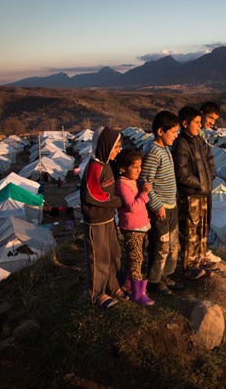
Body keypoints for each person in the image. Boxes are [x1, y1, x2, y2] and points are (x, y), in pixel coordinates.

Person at [80, 126, 125, 309]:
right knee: (99, 257)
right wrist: (117, 201)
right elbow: (92, 194)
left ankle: (113, 286)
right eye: (116, 147)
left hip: (107, 219)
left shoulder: (107, 164)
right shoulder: (94, 167)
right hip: (95, 221)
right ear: (106, 146)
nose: (118, 151)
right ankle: (97, 294)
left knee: (114, 253)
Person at [140, 110, 184, 296]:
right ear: (160, 131)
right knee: (161, 244)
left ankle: (165, 274)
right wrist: (156, 205)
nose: (176, 136)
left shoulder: (165, 149)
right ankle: (154, 280)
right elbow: (144, 181)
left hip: (171, 204)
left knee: (173, 243)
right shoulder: (153, 152)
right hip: (161, 208)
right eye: (173, 132)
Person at [172, 106, 217, 280]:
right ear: (185, 123)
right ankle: (189, 266)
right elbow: (181, 173)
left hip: (203, 191)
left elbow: (210, 158)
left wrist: (210, 178)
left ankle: (199, 260)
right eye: (197, 122)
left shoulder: (198, 140)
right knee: (190, 230)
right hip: (191, 194)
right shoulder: (181, 144)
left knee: (201, 228)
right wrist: (199, 184)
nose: (200, 125)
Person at [115, 149, 154, 306]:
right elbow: (132, 206)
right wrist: (144, 194)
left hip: (140, 226)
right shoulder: (122, 184)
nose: (139, 170)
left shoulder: (132, 181)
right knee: (135, 258)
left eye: (140, 166)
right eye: (135, 167)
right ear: (123, 168)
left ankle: (128, 283)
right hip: (132, 227)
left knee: (137, 256)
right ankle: (138, 293)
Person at [198, 101, 222, 264]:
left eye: (215, 120)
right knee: (199, 221)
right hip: (199, 185)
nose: (212, 123)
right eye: (210, 118)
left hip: (204, 183)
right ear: (201, 114)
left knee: (204, 219)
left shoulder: (201, 135)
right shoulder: (195, 135)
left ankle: (201, 250)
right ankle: (200, 252)